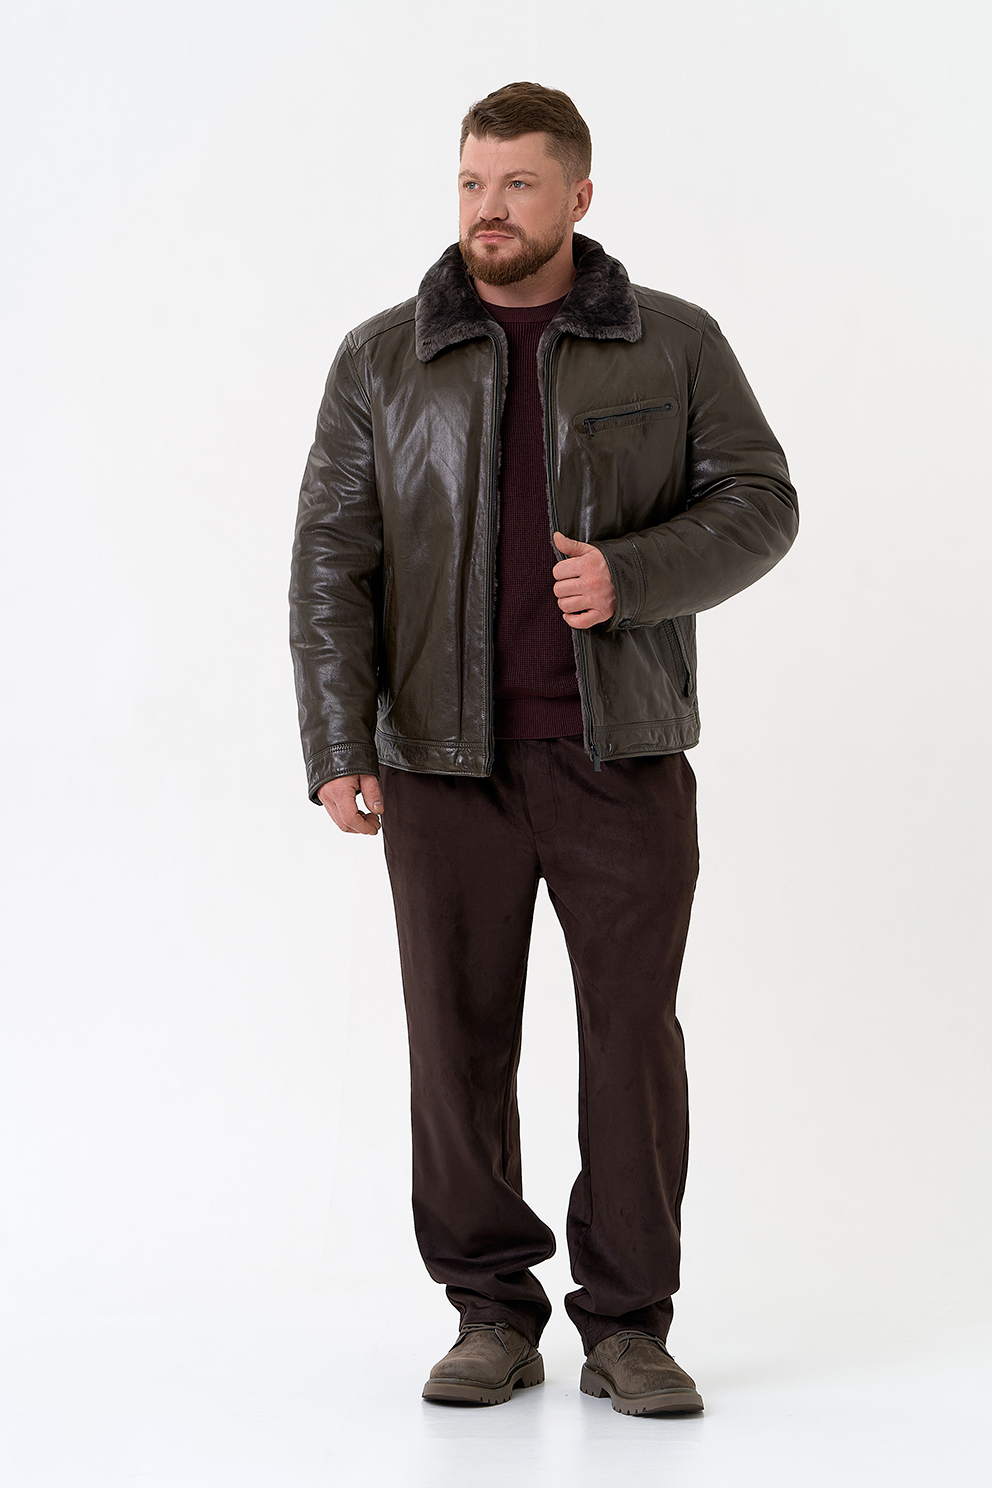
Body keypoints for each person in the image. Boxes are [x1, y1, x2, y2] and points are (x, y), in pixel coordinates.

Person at [289, 81, 797, 1416]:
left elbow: (761, 501)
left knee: (631, 1043)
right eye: (471, 182)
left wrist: (633, 576)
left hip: (621, 754)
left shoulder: (673, 343)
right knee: (455, 1046)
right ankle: (489, 1313)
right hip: (439, 761)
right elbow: (333, 559)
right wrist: (339, 739)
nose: (488, 209)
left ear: (578, 195)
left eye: (517, 183)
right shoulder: (381, 358)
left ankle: (629, 1325)